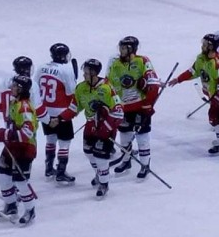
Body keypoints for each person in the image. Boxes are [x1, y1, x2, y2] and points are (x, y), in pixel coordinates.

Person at [168, 34, 219, 155]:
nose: (202, 46)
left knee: (216, 117)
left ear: (211, 46)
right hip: (213, 94)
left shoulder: (218, 64)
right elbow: (193, 71)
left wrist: (217, 100)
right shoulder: (201, 58)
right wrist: (178, 79)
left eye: (205, 44)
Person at [106, 36, 160, 179]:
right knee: (124, 136)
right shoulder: (115, 63)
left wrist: (148, 104)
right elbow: (108, 84)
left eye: (124, 48)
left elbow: (154, 85)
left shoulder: (143, 61)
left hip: (140, 107)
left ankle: (145, 165)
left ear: (131, 49)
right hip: (123, 108)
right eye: (121, 47)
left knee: (142, 137)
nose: (121, 50)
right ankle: (126, 161)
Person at [72, 59, 124, 198]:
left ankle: (104, 183)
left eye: (87, 72)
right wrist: (60, 118)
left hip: (106, 127)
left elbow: (119, 112)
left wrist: (105, 128)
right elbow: (74, 107)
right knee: (88, 152)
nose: (84, 74)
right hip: (90, 125)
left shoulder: (106, 88)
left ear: (94, 73)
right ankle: (101, 172)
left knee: (101, 156)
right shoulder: (81, 87)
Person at [0, 75, 38, 225]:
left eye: (15, 86)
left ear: (21, 89)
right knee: (2, 174)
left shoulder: (24, 107)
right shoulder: (14, 102)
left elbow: (27, 133)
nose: (11, 87)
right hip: (12, 145)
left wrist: (5, 134)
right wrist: (5, 133)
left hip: (25, 148)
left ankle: (30, 210)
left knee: (21, 182)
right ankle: (11, 204)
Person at [35, 43, 77, 182]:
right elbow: (71, 91)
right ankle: (61, 172)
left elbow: (35, 87)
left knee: (50, 139)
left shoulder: (41, 67)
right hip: (61, 111)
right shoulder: (66, 69)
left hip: (45, 111)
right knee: (64, 142)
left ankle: (48, 168)